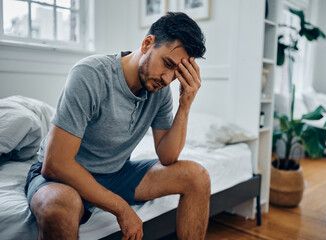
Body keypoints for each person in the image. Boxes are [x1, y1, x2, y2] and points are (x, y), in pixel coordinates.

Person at [24, 12, 210, 240]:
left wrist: (185, 104)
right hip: (64, 176)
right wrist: (121, 208)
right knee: (59, 205)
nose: (167, 78)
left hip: (115, 173)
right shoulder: (91, 74)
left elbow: (168, 157)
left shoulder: (160, 91)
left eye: (176, 74)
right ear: (147, 43)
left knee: (197, 176)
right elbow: (55, 164)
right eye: (167, 64)